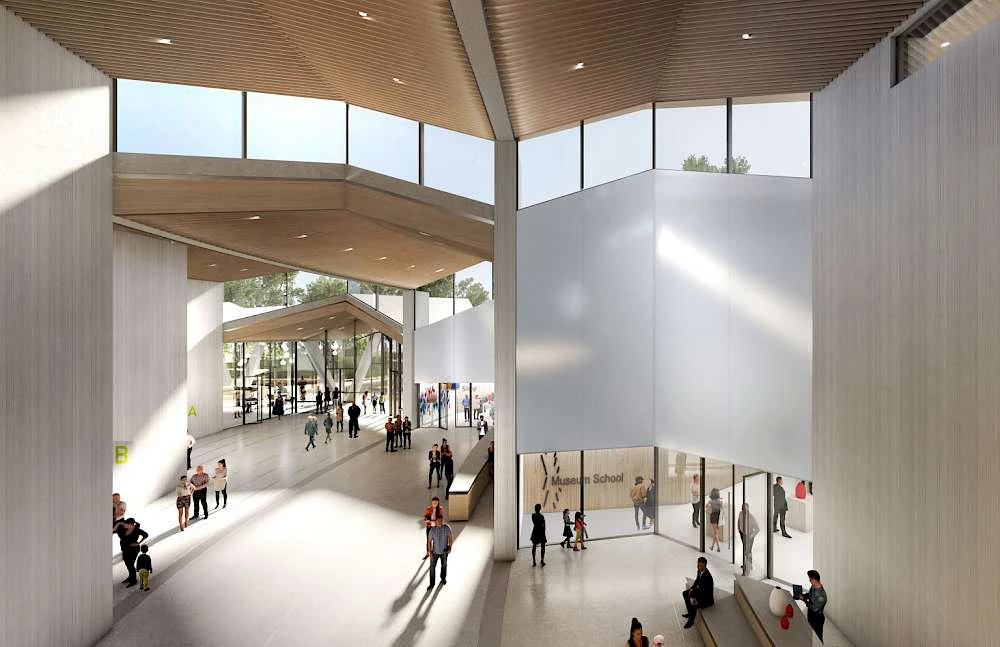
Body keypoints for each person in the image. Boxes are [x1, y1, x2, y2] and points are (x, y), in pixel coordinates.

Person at [681, 556, 715, 628]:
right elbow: (697, 581)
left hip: (706, 599)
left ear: (705, 565)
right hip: (700, 592)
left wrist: (693, 592)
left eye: (700, 565)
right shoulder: (700, 571)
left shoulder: (707, 576)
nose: (698, 567)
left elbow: (703, 591)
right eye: (698, 565)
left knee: (693, 599)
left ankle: (691, 620)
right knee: (685, 593)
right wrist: (692, 588)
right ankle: (690, 613)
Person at [796, 570, 828, 642]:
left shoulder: (821, 596)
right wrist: (803, 595)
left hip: (817, 619)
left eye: (810, 579)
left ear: (814, 579)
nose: (809, 581)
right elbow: (810, 595)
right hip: (811, 615)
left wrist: (804, 600)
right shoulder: (814, 585)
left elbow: (814, 608)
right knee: (810, 634)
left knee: (817, 638)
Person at [118, 518, 148, 587]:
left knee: (130, 565)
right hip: (125, 549)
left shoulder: (136, 529)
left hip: (133, 550)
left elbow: (146, 535)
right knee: (127, 564)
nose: (125, 525)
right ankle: (130, 577)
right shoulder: (125, 529)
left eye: (126, 524)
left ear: (131, 524)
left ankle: (133, 580)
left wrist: (138, 543)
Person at [426, 516, 452, 589]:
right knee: (432, 568)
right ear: (435, 522)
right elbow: (429, 541)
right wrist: (430, 552)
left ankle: (443, 578)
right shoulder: (432, 530)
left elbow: (450, 537)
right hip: (434, 553)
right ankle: (432, 584)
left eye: (441, 521)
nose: (440, 522)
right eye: (438, 521)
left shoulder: (446, 528)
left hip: (444, 552)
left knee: (444, 566)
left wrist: (450, 547)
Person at [737, 502, 759, 572]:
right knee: (745, 550)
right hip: (743, 534)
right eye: (742, 508)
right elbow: (739, 521)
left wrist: (751, 536)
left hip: (749, 536)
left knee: (748, 551)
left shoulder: (751, 517)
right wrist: (739, 530)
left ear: (747, 509)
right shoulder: (740, 513)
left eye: (744, 509)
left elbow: (757, 529)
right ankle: (746, 564)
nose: (743, 510)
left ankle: (749, 566)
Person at [707, 488, 723, 552]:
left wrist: (709, 509)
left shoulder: (710, 501)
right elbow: (722, 509)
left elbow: (706, 507)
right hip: (718, 517)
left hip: (713, 516)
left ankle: (718, 547)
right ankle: (712, 546)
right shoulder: (720, 501)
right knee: (715, 533)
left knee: (715, 533)